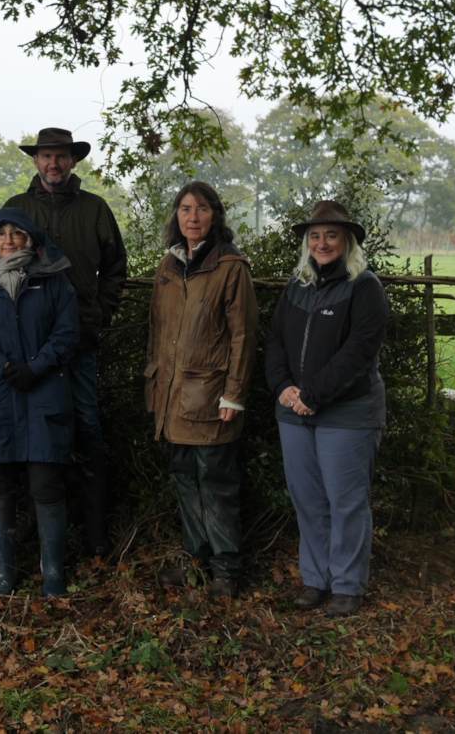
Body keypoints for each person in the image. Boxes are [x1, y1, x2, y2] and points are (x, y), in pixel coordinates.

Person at [4, 128, 127, 559]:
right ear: (36, 162)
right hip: (28, 346)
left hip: (79, 343)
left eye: (60, 157)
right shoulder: (16, 209)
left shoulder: (94, 209)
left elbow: (115, 269)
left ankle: (95, 532)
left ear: (73, 162)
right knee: (31, 434)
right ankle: (30, 529)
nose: (53, 165)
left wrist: (98, 315)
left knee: (87, 429)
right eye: (45, 157)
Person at [265, 200, 388, 618]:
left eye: (331, 235)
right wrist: (283, 386)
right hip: (293, 413)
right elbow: (276, 340)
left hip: (347, 413)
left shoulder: (364, 286)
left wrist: (312, 394)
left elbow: (358, 353)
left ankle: (348, 586)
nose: (322, 242)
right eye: (315, 236)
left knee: (346, 501)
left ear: (347, 241)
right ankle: (316, 580)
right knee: (308, 500)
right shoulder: (296, 286)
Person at [145, 181, 258, 598]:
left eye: (202, 209)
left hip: (211, 397)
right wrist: (154, 385)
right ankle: (195, 561)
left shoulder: (230, 266)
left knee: (216, 482)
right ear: (176, 216)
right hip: (172, 398)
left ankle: (226, 569)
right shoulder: (168, 267)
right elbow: (157, 332)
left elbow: (243, 336)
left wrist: (234, 393)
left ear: (216, 215)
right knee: (184, 479)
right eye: (185, 208)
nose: (193, 217)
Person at [0, 208, 80, 597]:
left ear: (31, 239)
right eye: (1, 234)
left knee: (46, 484)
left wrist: (38, 366)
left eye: (17, 233)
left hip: (45, 391)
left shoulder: (53, 280)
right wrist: (0, 364)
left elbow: (67, 331)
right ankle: (4, 574)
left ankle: (53, 575)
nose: (9, 240)